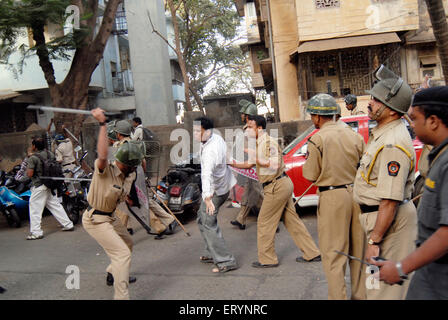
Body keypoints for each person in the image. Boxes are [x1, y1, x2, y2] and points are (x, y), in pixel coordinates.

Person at [374, 86, 448, 300]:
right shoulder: (439, 156)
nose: (412, 125)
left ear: (433, 121)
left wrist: (400, 266)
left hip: (439, 279)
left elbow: (445, 234)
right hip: (429, 271)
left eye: (415, 119)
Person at [353, 65, 418, 300]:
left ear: (391, 110)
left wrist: (374, 241)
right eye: (372, 97)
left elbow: (389, 201)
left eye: (376, 100)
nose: (370, 102)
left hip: (388, 225)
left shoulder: (393, 143)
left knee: (385, 293)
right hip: (376, 223)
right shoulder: (382, 132)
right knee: (374, 286)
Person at [231, 115, 321, 268]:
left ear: (259, 128)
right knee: (292, 221)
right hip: (280, 185)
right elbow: (248, 165)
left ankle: (267, 259)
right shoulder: (259, 144)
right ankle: (312, 253)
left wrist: (256, 157)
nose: (247, 131)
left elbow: (273, 165)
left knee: (265, 222)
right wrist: (231, 163)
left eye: (250, 127)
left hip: (276, 186)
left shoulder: (268, 142)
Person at [303, 93, 366, 300]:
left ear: (318, 117)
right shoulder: (354, 135)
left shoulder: (318, 138)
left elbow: (310, 175)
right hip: (356, 195)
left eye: (312, 115)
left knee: (334, 255)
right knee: (359, 253)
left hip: (332, 198)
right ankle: (361, 296)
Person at [82, 108, 144, 300]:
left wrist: (128, 197)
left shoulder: (128, 172)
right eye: (132, 165)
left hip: (110, 216)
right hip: (96, 219)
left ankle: (113, 273)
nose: (135, 168)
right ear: (124, 163)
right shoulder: (106, 169)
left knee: (128, 242)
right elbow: (101, 155)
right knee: (123, 254)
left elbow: (122, 189)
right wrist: (102, 124)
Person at [194, 116, 238, 273]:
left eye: (198, 131)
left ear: (207, 131)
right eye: (194, 130)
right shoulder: (216, 138)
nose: (195, 133)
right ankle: (211, 252)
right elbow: (227, 157)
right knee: (201, 217)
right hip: (221, 186)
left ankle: (226, 260)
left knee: (208, 222)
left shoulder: (210, 150)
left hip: (215, 191)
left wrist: (207, 198)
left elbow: (206, 175)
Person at [25, 137, 74, 240]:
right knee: (55, 205)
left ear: (34, 146)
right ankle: (68, 224)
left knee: (35, 209)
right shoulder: (50, 154)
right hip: (50, 184)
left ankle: (36, 232)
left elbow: (30, 174)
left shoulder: (33, 158)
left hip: (39, 185)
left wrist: (29, 157)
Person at [231, 99, 264, 230]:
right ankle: (241, 219)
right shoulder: (248, 129)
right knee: (248, 193)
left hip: (254, 167)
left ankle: (273, 221)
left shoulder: (251, 130)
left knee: (261, 194)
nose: (241, 116)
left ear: (248, 116)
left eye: (243, 114)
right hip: (249, 168)